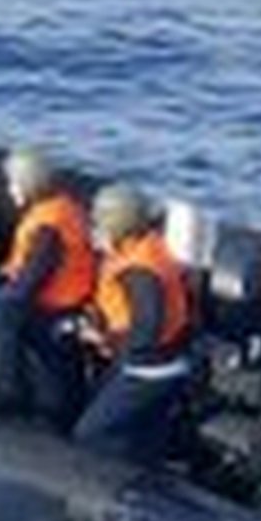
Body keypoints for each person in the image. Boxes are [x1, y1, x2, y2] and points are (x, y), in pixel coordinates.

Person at [73, 186, 199, 464]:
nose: (94, 230)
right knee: (142, 439)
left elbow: (148, 328)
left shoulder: (140, 271)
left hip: (150, 369)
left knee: (90, 434)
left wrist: (103, 338)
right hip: (162, 363)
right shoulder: (149, 250)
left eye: (99, 224)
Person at [0, 145, 98, 423]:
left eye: (12, 184)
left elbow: (27, 285)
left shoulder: (48, 227)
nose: (9, 190)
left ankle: (9, 391)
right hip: (62, 303)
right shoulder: (62, 208)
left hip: (57, 311)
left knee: (0, 309)